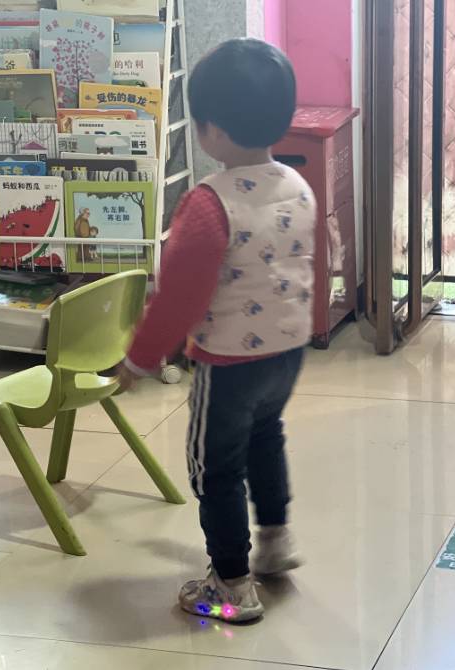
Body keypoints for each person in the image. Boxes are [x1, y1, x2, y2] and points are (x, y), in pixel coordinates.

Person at [116, 38, 315, 623]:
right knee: (266, 438)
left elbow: (179, 299)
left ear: (215, 131)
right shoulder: (297, 184)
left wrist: (139, 359)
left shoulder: (208, 205)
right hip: (287, 351)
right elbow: (308, 264)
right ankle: (275, 540)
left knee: (216, 468)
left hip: (227, 364)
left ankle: (231, 583)